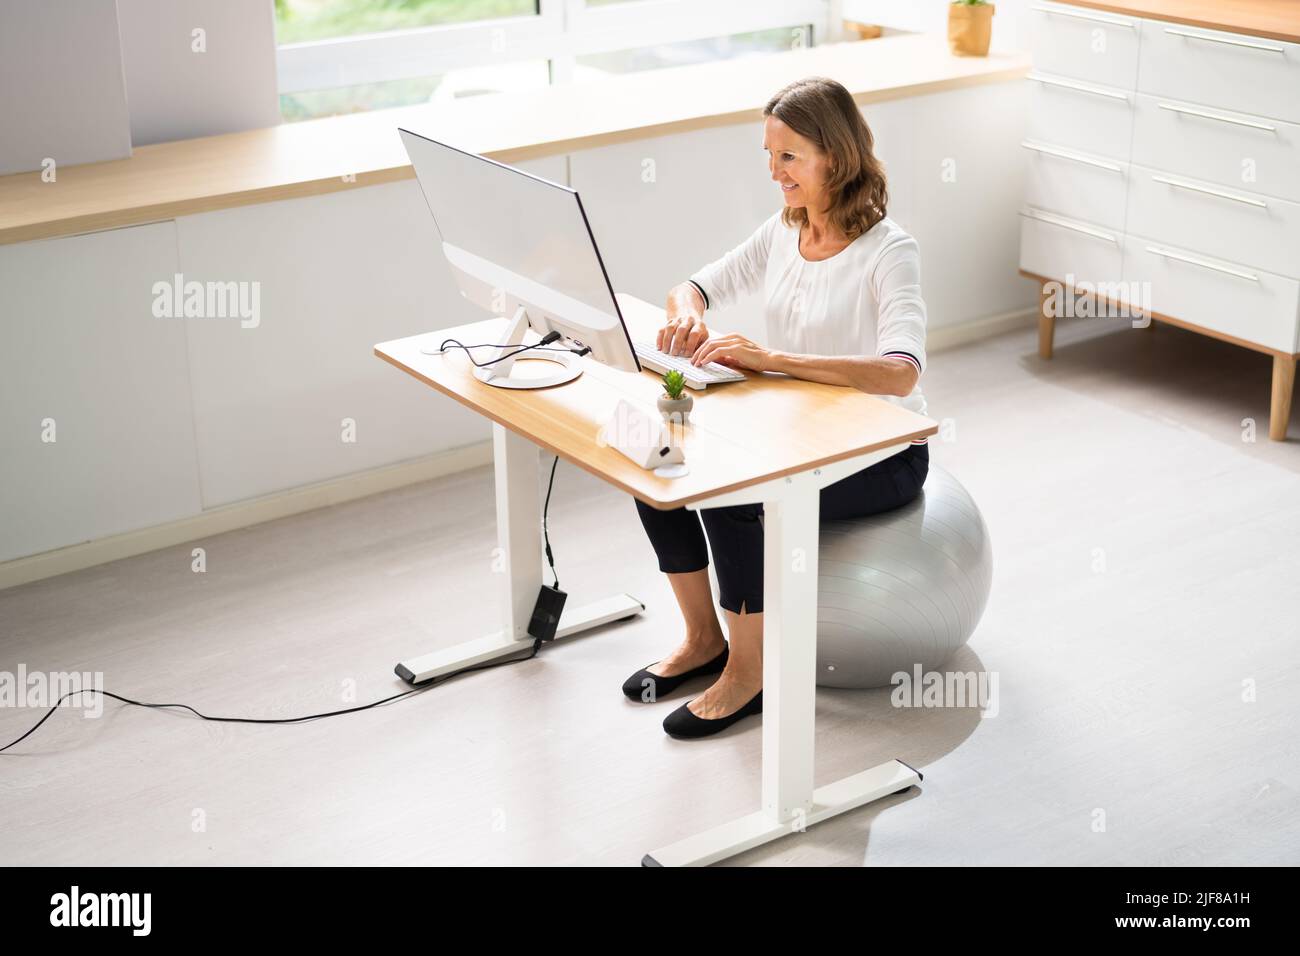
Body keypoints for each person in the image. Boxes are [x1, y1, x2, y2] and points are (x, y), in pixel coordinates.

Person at [623, 76, 931, 739]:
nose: (774, 172)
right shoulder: (784, 231)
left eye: (788, 156)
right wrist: (687, 317)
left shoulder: (889, 252)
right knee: (658, 465)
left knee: (736, 500)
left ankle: (749, 673)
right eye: (769, 155)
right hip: (797, 432)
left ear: (835, 157)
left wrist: (774, 359)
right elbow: (693, 285)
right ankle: (704, 641)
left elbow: (901, 375)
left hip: (884, 451)